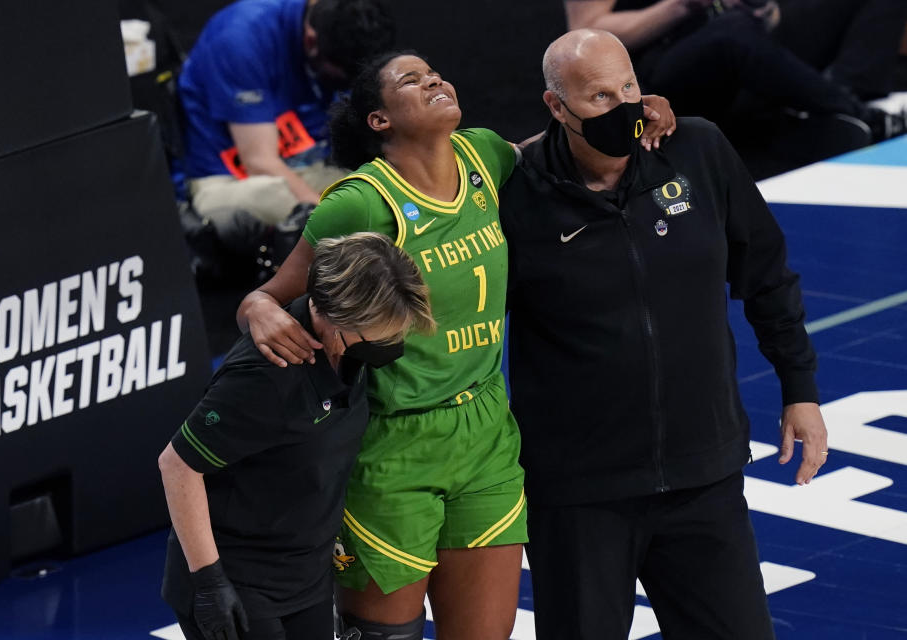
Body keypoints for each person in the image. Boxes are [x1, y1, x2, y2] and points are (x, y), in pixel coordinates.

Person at [236, 50, 675, 638]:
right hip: (394, 445)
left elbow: (563, 145)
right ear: (380, 121)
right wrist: (258, 310)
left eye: (436, 72)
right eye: (411, 81)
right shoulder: (362, 202)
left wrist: (636, 113)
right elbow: (269, 294)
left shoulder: (483, 153)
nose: (435, 79)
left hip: (486, 431)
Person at [497, 29, 829, 638]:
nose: (621, 106)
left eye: (628, 86)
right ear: (555, 107)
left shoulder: (696, 149)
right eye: (598, 96)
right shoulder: (514, 192)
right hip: (580, 493)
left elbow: (767, 274)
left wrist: (799, 389)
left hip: (703, 476)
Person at [158, 232, 435, 640]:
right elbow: (177, 464)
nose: (386, 347)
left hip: (306, 578)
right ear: (331, 318)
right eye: (376, 336)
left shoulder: (346, 353)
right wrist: (209, 582)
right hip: (241, 583)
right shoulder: (267, 377)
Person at [177, 0, 395, 235]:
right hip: (231, 180)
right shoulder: (241, 39)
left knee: (383, 193)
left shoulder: (335, 38)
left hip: (305, 165)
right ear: (312, 41)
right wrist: (325, 216)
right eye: (342, 78)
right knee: (322, 219)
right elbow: (259, 162)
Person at [563, 0, 907, 142]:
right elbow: (587, 31)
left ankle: (836, 93)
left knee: (740, 26)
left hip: (736, 40)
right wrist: (679, 6)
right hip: (654, 69)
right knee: (731, 33)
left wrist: (762, 11)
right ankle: (856, 112)